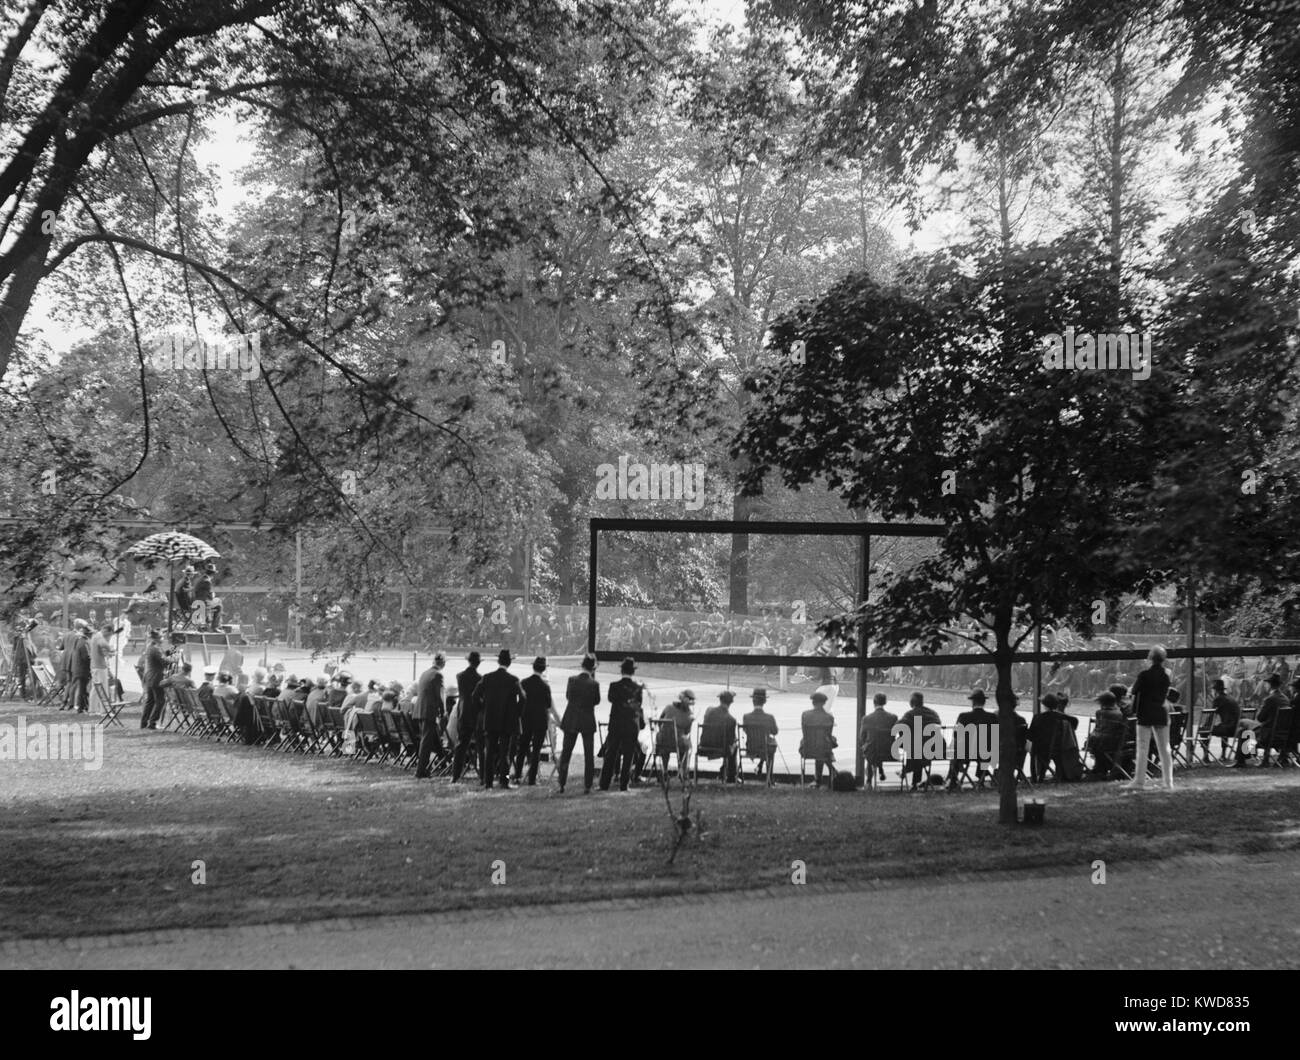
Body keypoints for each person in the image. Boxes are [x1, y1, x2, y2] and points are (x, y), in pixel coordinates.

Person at [474, 649, 525, 789]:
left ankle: (488, 782)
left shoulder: (487, 677)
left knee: (489, 751)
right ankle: (504, 780)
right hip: (507, 720)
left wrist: (483, 708)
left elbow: (475, 695)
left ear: (498, 661)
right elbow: (523, 698)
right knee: (505, 753)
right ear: (509, 663)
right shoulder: (513, 680)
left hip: (490, 719)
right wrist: (516, 713)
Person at [1124, 646, 1174, 790]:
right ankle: (1168, 782)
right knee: (1165, 748)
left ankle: (1139, 781)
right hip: (1161, 712)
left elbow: (1134, 691)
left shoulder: (1144, 675)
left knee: (1142, 747)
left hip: (1145, 713)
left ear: (1150, 658)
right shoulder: (1166, 675)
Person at [558, 654, 600, 793]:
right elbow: (596, 701)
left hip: (572, 718)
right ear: (593, 668)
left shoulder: (572, 680)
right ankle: (587, 785)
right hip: (587, 719)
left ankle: (561, 783)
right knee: (589, 755)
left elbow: (568, 696)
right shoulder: (594, 684)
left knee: (566, 753)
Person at [600, 657, 644, 792]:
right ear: (633, 672)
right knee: (629, 755)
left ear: (621, 671)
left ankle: (604, 784)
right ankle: (624, 785)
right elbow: (639, 704)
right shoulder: (637, 688)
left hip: (616, 723)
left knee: (611, 754)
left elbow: (611, 699)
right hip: (631, 724)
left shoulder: (614, 686)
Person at [514, 656, 560, 786]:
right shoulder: (545, 686)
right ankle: (532, 779)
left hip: (526, 719)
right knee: (536, 750)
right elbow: (548, 705)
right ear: (543, 669)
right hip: (540, 721)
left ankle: (517, 775)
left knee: (522, 748)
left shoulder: (524, 683)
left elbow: (520, 702)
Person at [1233, 672, 1288, 766]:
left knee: (1244, 731)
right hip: (1283, 734)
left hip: (1268, 734)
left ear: (1270, 685)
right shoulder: (1285, 699)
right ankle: (1251, 756)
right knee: (1247, 729)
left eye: (1266, 683)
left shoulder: (1270, 699)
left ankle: (1241, 760)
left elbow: (1260, 718)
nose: (1265, 685)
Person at [949, 689, 996, 790]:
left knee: (955, 752)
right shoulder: (992, 717)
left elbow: (956, 735)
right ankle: (981, 778)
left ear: (973, 702)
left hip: (966, 753)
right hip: (987, 754)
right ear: (984, 702)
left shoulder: (964, 716)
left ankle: (953, 780)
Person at [1029, 693, 1081, 782]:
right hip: (1056, 747)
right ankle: (1044, 775)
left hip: (1040, 748)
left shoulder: (1038, 717)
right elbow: (1075, 720)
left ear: (1044, 705)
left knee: (1031, 746)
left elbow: (1030, 735)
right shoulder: (1060, 716)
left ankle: (1036, 776)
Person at [451, 651, 484, 782]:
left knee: (461, 744)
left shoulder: (460, 676)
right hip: (476, 712)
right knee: (480, 745)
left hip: (464, 711)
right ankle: (483, 775)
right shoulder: (480, 678)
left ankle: (455, 775)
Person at [897, 691, 941, 790]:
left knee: (915, 747)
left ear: (912, 702)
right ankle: (910, 777)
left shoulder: (910, 714)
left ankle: (907, 771)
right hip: (935, 748)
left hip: (919, 750)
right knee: (918, 746)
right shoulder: (933, 714)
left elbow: (898, 726)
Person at [414, 653, 448, 779]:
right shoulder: (438, 675)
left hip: (420, 710)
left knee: (432, 739)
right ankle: (420, 771)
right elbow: (439, 695)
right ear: (443, 663)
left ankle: (443, 761)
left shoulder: (424, 673)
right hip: (429, 711)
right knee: (426, 742)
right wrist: (442, 711)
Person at [700, 690, 740, 782]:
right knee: (733, 746)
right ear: (731, 703)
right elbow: (730, 740)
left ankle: (723, 771)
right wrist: (735, 741)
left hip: (704, 745)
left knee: (727, 745)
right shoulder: (731, 720)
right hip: (720, 748)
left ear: (720, 700)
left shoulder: (709, 711)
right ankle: (731, 776)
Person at [800, 690, 837, 787]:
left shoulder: (805, 715)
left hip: (808, 749)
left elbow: (804, 733)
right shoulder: (829, 717)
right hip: (824, 749)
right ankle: (827, 773)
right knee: (824, 745)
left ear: (813, 702)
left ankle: (818, 780)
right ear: (824, 703)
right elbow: (828, 735)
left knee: (817, 745)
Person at [859, 693, 899, 783]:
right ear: (885, 702)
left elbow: (862, 737)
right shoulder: (893, 718)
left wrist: (864, 745)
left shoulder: (867, 718)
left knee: (870, 748)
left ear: (874, 702)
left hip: (873, 752)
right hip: (889, 752)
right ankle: (880, 769)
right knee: (879, 745)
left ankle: (869, 780)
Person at [655, 691, 695, 779]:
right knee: (687, 745)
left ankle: (664, 770)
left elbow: (659, 722)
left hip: (662, 741)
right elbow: (687, 732)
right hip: (677, 743)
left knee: (665, 746)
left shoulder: (668, 707)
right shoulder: (689, 715)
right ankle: (682, 771)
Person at [742, 687, 779, 781]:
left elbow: (746, 731)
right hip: (764, 748)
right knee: (771, 746)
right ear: (765, 701)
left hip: (750, 748)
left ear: (753, 701)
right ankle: (769, 777)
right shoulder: (769, 717)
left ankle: (760, 764)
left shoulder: (746, 717)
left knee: (767, 746)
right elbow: (775, 731)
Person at [1087, 691, 1126, 777]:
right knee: (1099, 741)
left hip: (1106, 743)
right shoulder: (1119, 713)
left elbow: (1098, 729)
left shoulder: (1100, 713)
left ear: (1103, 703)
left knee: (1094, 742)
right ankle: (1101, 767)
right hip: (1117, 742)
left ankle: (1100, 768)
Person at [139, 629, 168, 729]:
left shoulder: (150, 646)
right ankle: (153, 722)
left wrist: (167, 653)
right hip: (157, 678)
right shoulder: (156, 648)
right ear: (157, 638)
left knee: (150, 701)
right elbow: (164, 661)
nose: (163, 639)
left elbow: (161, 657)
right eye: (161, 637)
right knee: (160, 701)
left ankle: (144, 722)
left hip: (150, 677)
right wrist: (174, 658)